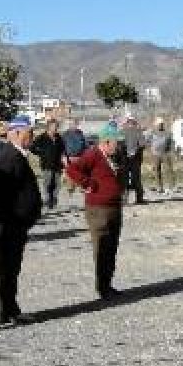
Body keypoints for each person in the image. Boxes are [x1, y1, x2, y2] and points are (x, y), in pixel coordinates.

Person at [0, 116, 43, 325]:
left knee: (12, 268)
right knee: (6, 268)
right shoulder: (9, 157)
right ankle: (6, 311)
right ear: (16, 133)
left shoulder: (17, 155)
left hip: (16, 224)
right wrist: (5, 223)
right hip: (9, 225)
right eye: (29, 133)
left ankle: (10, 308)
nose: (32, 137)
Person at [65, 122, 127, 300]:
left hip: (114, 206)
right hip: (98, 209)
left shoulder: (114, 156)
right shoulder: (92, 154)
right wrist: (88, 183)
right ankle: (102, 288)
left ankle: (108, 284)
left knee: (112, 247)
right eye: (117, 143)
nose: (119, 146)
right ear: (106, 142)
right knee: (102, 248)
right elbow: (71, 169)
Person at [30, 119, 66, 211]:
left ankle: (53, 199)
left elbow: (63, 149)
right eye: (54, 126)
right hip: (46, 164)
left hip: (58, 164)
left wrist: (64, 159)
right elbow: (32, 147)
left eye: (56, 126)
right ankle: (47, 200)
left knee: (57, 184)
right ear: (49, 127)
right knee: (48, 184)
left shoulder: (59, 137)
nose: (55, 128)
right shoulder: (42, 137)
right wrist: (41, 153)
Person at [121, 115, 147, 204]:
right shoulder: (123, 132)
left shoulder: (124, 132)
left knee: (131, 179)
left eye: (131, 122)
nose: (130, 124)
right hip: (128, 159)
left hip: (131, 159)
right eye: (129, 122)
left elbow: (142, 144)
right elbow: (143, 145)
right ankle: (133, 199)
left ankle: (136, 198)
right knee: (132, 179)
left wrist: (133, 151)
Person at [147, 117, 175, 193]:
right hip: (155, 154)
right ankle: (159, 187)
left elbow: (171, 143)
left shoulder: (168, 133)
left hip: (165, 154)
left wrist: (171, 152)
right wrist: (150, 152)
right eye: (159, 124)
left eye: (161, 124)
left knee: (169, 170)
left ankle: (171, 187)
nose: (160, 126)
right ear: (156, 125)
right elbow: (148, 143)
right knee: (157, 171)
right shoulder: (152, 133)